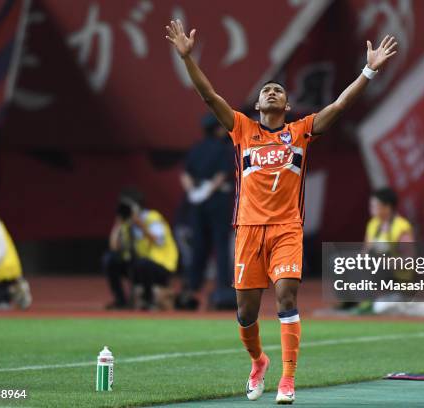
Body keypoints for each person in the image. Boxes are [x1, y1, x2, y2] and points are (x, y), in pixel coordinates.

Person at [166, 19, 397, 404]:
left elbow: (340, 105)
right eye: (266, 90)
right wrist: (188, 59)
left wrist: (369, 70)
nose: (272, 92)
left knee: (287, 297)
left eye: (279, 91)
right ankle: (258, 361)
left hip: (287, 228)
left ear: (287, 106)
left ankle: (288, 380)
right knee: (245, 312)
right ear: (258, 105)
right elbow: (209, 97)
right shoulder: (241, 130)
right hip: (247, 230)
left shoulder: (301, 131)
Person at [177, 114, 236, 310]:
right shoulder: (223, 148)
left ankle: (193, 286)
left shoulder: (196, 148)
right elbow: (221, 175)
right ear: (218, 129)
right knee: (221, 244)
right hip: (216, 200)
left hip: (197, 201)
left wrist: (194, 194)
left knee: (199, 245)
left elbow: (186, 174)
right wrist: (207, 192)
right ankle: (222, 287)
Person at [361, 187, 424, 317]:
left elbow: (409, 261)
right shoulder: (373, 224)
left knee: (381, 307)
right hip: (377, 281)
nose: (371, 208)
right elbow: (365, 253)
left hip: (398, 281)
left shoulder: (401, 227)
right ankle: (359, 302)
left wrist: (384, 262)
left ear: (387, 207)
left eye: (375, 205)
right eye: (371, 205)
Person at [104, 188, 179, 310]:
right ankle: (120, 301)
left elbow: (158, 241)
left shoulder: (152, 217)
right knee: (109, 259)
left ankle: (148, 300)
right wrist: (118, 225)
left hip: (160, 266)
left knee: (142, 263)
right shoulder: (126, 223)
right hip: (138, 266)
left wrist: (140, 224)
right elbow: (114, 247)